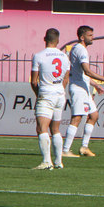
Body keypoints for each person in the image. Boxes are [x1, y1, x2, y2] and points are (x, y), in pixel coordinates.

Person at [62, 25, 104, 157]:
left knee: (94, 115)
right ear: (82, 37)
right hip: (79, 89)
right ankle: (65, 150)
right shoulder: (81, 50)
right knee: (77, 118)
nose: (93, 37)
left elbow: (82, 74)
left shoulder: (77, 48)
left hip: (84, 87)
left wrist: (96, 85)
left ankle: (84, 147)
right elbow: (86, 70)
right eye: (90, 35)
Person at [30, 28, 70, 170]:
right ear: (58, 40)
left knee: (42, 128)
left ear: (44, 39)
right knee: (56, 129)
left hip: (46, 93)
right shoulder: (65, 56)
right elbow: (66, 78)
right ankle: (59, 162)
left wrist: (39, 94)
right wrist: (59, 90)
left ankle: (47, 162)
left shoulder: (39, 56)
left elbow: (34, 81)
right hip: (60, 93)